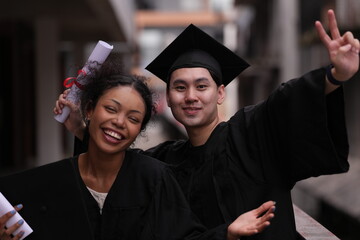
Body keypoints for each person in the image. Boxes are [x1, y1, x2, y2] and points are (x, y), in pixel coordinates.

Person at [54, 9, 359, 239]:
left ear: (220, 93)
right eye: (180, 87)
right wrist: (83, 129)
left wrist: (335, 76)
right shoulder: (163, 162)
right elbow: (111, 173)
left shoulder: (251, 133)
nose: (191, 96)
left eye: (202, 86)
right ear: (169, 100)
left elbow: (286, 101)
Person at [0, 57, 276, 240]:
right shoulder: (53, 182)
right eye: (110, 109)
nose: (120, 123)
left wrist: (225, 234)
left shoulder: (154, 177)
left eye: (133, 119)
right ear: (89, 109)